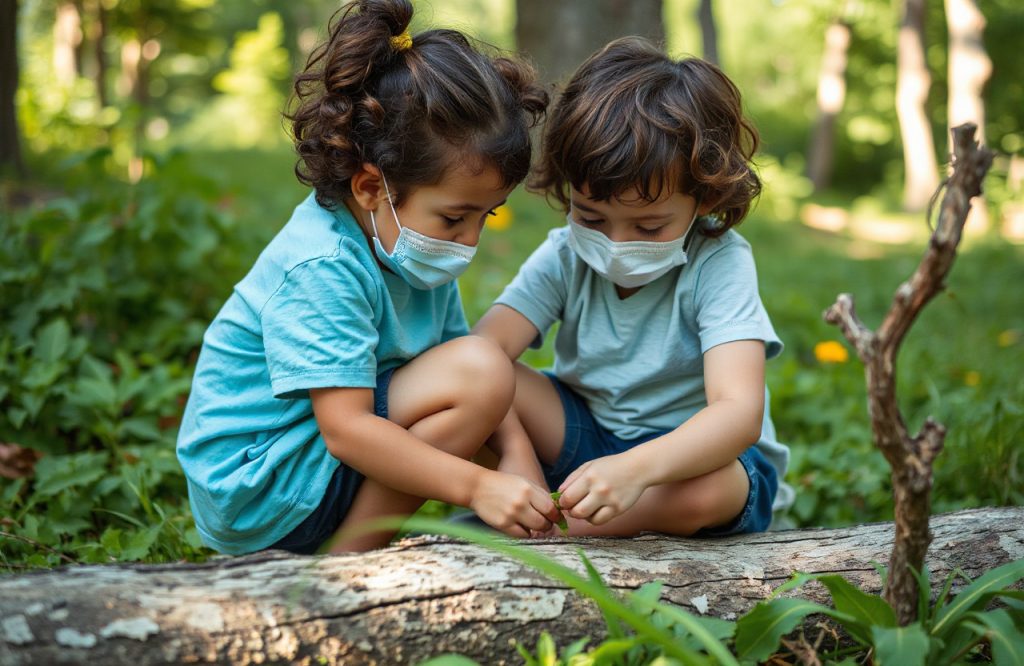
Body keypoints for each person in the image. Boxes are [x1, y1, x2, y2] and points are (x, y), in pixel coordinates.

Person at [176, 0, 561, 556]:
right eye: (456, 216)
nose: (470, 239)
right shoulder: (324, 262)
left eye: (488, 215)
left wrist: (517, 454)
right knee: (481, 371)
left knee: (481, 369)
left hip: (313, 468)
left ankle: (370, 543)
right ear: (371, 188)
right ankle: (347, 563)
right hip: (262, 489)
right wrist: (480, 484)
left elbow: (459, 359)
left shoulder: (406, 242)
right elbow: (346, 428)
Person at [473, 37, 795, 538]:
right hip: (583, 435)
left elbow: (738, 412)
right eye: (592, 217)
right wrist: (516, 453)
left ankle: (555, 534)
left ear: (705, 198)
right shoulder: (564, 255)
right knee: (472, 379)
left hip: (688, 461)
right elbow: (482, 355)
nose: (616, 244)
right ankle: (541, 505)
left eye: (648, 228)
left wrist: (636, 470)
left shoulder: (719, 262)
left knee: (719, 488)